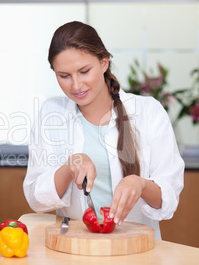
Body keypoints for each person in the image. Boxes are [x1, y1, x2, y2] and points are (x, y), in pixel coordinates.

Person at [23, 21, 184, 239]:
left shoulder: (149, 112)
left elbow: (168, 198)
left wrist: (140, 184)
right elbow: (36, 199)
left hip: (137, 249)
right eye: (64, 76)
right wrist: (70, 166)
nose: (76, 85)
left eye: (84, 71)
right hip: (76, 249)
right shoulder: (51, 114)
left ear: (104, 63)